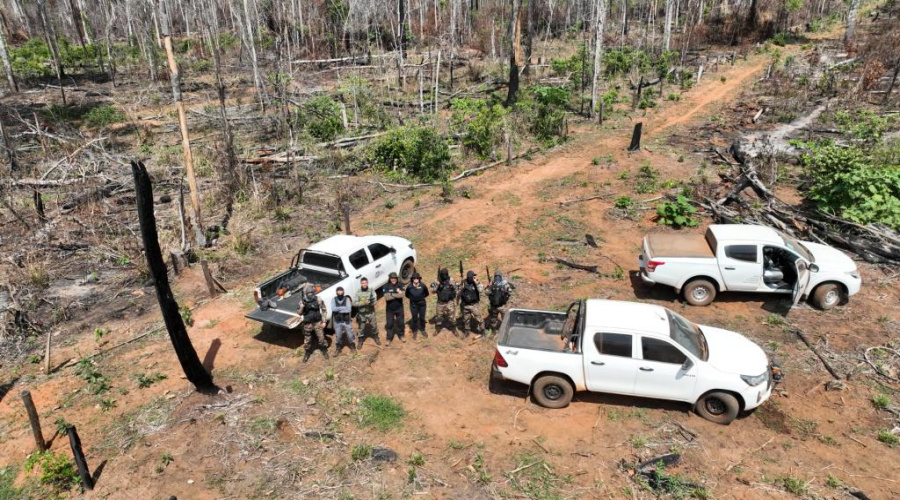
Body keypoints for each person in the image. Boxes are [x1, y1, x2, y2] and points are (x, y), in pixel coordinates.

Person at [297, 285, 329, 362]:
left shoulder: (318, 299)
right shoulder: (302, 301)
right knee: (307, 339)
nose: (310, 294)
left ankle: (324, 350)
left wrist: (324, 321)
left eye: (311, 292)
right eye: (308, 293)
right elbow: (299, 313)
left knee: (321, 338)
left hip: (317, 322)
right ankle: (307, 352)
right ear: (306, 294)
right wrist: (302, 307)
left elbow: (324, 310)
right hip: (307, 323)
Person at [485, 270, 514, 337]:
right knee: (498, 319)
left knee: (498, 319)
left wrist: (489, 287)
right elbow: (510, 292)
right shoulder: (504, 284)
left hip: (497, 306)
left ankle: (497, 332)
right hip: (499, 306)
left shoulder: (494, 284)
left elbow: (486, 293)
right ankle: (497, 332)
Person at [431, 268, 458, 337]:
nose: (444, 276)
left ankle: (454, 329)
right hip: (440, 303)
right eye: (443, 275)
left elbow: (457, 289)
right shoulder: (437, 281)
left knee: (452, 317)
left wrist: (452, 286)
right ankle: (438, 329)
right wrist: (437, 285)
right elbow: (432, 291)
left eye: (445, 274)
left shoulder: (451, 280)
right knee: (439, 317)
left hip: (449, 302)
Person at [458, 270, 485, 338]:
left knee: (479, 319)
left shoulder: (476, 282)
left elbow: (481, 290)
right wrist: (462, 288)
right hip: (465, 305)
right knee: (466, 319)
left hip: (474, 305)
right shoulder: (463, 282)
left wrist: (477, 283)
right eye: (473, 276)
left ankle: (483, 331)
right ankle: (467, 331)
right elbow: (458, 293)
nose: (474, 277)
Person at [381, 272, 406, 345]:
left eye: (395, 278)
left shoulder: (400, 284)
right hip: (389, 309)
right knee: (389, 324)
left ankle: (401, 335)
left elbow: (402, 295)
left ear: (397, 278)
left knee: (401, 323)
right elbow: (387, 297)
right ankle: (389, 338)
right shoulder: (386, 286)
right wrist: (397, 293)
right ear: (389, 278)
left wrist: (391, 294)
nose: (393, 279)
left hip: (399, 308)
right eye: (392, 278)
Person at [355, 277, 380, 348]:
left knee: (374, 326)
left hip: (371, 312)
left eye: (366, 283)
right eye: (363, 283)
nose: (364, 284)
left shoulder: (371, 291)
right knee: (361, 328)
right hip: (362, 314)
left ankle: (376, 337)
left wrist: (370, 303)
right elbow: (354, 303)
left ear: (367, 283)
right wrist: (363, 303)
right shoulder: (358, 292)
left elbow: (375, 300)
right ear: (361, 284)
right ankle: (360, 340)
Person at [331, 287, 356, 355]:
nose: (340, 293)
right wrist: (343, 308)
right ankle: (338, 348)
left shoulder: (347, 299)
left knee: (350, 334)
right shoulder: (333, 299)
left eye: (341, 291)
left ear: (343, 292)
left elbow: (349, 310)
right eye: (338, 291)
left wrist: (338, 309)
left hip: (346, 320)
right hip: (337, 321)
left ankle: (353, 346)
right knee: (338, 335)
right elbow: (333, 309)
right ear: (336, 292)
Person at [405, 272, 430, 339]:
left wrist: (420, 298)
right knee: (415, 318)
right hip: (413, 305)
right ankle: (415, 330)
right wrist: (413, 299)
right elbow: (407, 295)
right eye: (414, 278)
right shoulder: (409, 287)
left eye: (417, 278)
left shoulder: (423, 285)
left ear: (419, 279)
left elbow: (427, 293)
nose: (416, 279)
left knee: (422, 318)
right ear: (412, 279)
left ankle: (423, 329)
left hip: (422, 304)